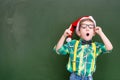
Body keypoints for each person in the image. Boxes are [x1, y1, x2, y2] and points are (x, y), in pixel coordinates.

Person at [54, 16, 113, 80]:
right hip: (74, 77)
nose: (87, 29)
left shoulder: (96, 46)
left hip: (89, 77)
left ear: (94, 33)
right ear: (79, 32)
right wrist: (64, 36)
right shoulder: (73, 44)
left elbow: (109, 48)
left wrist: (101, 33)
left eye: (90, 27)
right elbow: (59, 50)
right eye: (84, 27)